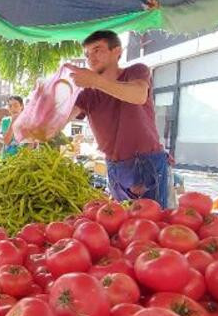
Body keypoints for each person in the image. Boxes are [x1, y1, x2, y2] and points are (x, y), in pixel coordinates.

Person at [65, 30, 169, 207]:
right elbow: (58, 121)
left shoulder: (136, 71)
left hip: (146, 162)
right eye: (87, 53)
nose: (91, 57)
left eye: (97, 50)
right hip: (114, 166)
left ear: (117, 51)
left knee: (152, 223)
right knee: (122, 226)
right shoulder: (87, 94)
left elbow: (138, 95)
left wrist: (95, 81)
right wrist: (43, 102)